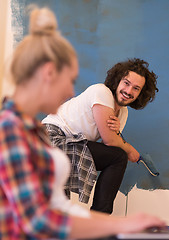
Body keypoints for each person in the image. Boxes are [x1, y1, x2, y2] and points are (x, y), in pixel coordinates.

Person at [0, 7, 165, 239]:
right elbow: (38, 221)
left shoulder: (32, 133)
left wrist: (125, 224)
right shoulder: (10, 131)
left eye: (135, 88)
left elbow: (59, 209)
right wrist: (118, 226)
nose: (70, 91)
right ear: (48, 74)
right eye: (70, 81)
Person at [42, 57, 158, 214]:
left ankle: (95, 221)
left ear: (141, 94)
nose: (129, 91)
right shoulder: (101, 92)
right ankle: (100, 217)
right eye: (126, 83)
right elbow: (111, 141)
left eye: (136, 88)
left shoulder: (122, 113)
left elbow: (107, 147)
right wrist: (129, 148)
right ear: (117, 80)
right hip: (50, 139)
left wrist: (116, 135)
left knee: (115, 156)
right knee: (119, 156)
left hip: (71, 144)